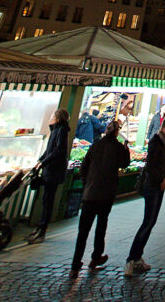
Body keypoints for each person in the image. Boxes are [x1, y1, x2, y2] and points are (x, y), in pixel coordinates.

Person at [69, 118, 130, 278]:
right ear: (116, 132)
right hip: (106, 194)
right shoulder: (117, 147)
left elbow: (83, 169)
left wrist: (87, 184)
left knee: (83, 231)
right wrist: (126, 149)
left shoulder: (95, 146)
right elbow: (125, 164)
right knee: (101, 226)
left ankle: (75, 265)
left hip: (90, 194)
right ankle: (96, 256)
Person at [124, 115, 165, 276]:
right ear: (162, 128)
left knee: (151, 222)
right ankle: (132, 259)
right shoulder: (156, 142)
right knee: (148, 222)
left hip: (158, 185)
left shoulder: (164, 143)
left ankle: (137, 257)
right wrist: (161, 179)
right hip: (153, 186)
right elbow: (151, 165)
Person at [27, 107, 71, 243]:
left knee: (48, 201)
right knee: (46, 200)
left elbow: (58, 150)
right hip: (50, 170)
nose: (51, 117)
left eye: (53, 115)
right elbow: (49, 150)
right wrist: (40, 161)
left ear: (57, 118)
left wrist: (43, 162)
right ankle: (40, 228)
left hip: (53, 171)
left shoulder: (61, 130)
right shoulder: (56, 130)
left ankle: (42, 230)